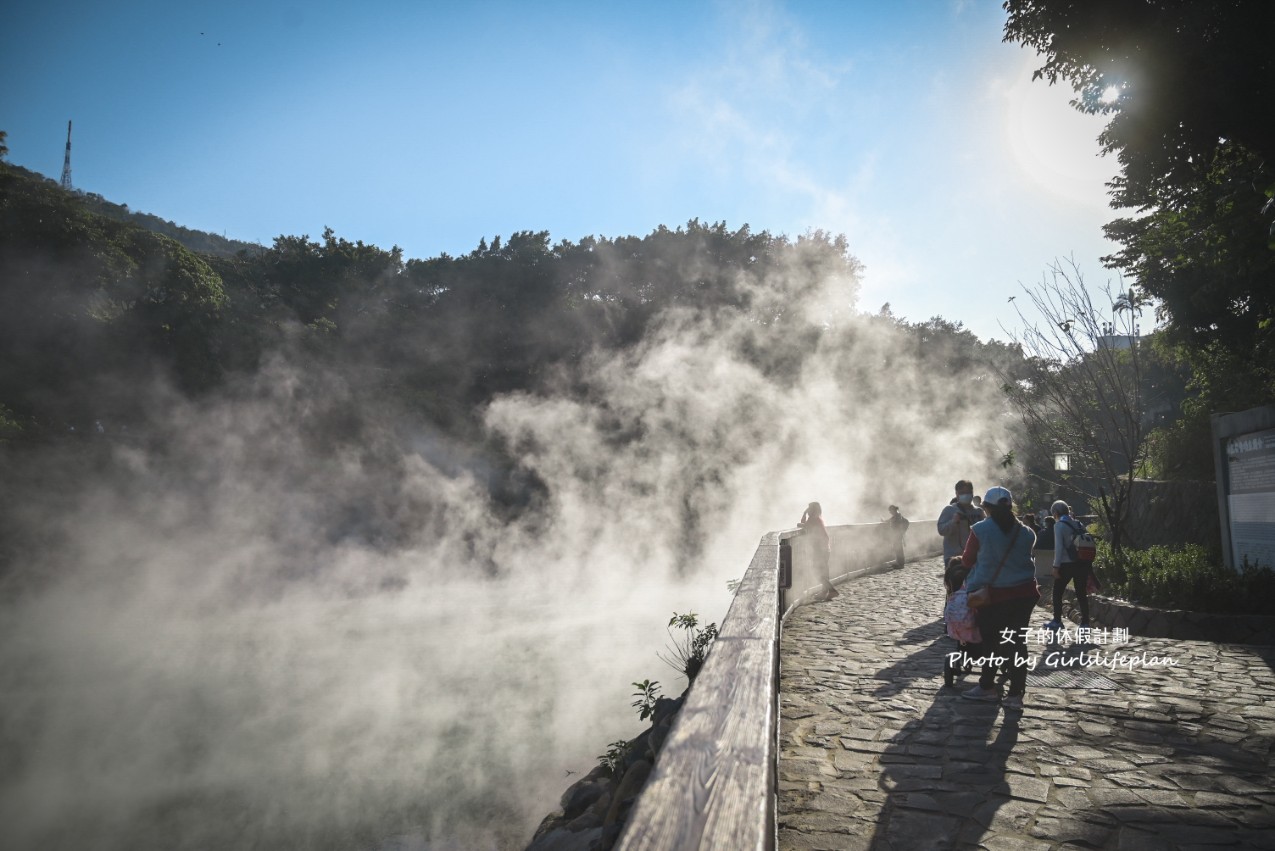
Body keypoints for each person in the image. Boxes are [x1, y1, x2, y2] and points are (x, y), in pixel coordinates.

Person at [959, 486, 1039, 710]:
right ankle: (1016, 694)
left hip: (992, 595)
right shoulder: (1027, 532)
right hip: (1024, 594)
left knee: (991, 642)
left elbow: (966, 561)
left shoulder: (980, 530)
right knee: (1017, 643)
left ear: (987, 508)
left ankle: (987, 687)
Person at [1047, 500, 1092, 631]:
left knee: (1057, 592)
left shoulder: (1059, 526)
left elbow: (1059, 548)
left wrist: (1055, 567)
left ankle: (1057, 621)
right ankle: (1085, 623)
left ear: (1055, 513)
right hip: (1081, 563)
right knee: (1081, 593)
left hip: (1066, 564)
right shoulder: (1078, 523)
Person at [937, 480, 984, 564]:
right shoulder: (949, 510)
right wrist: (953, 522)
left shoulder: (979, 512)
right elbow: (941, 530)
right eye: (962, 493)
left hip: (975, 556)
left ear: (972, 493)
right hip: (954, 558)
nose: (965, 495)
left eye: (968, 492)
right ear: (957, 494)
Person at [798, 502, 838, 601]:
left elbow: (802, 525)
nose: (808, 510)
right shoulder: (817, 518)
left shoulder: (813, 519)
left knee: (817, 572)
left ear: (812, 509)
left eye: (809, 508)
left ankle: (832, 590)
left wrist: (803, 513)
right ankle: (825, 593)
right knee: (824, 572)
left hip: (820, 549)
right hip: (825, 548)